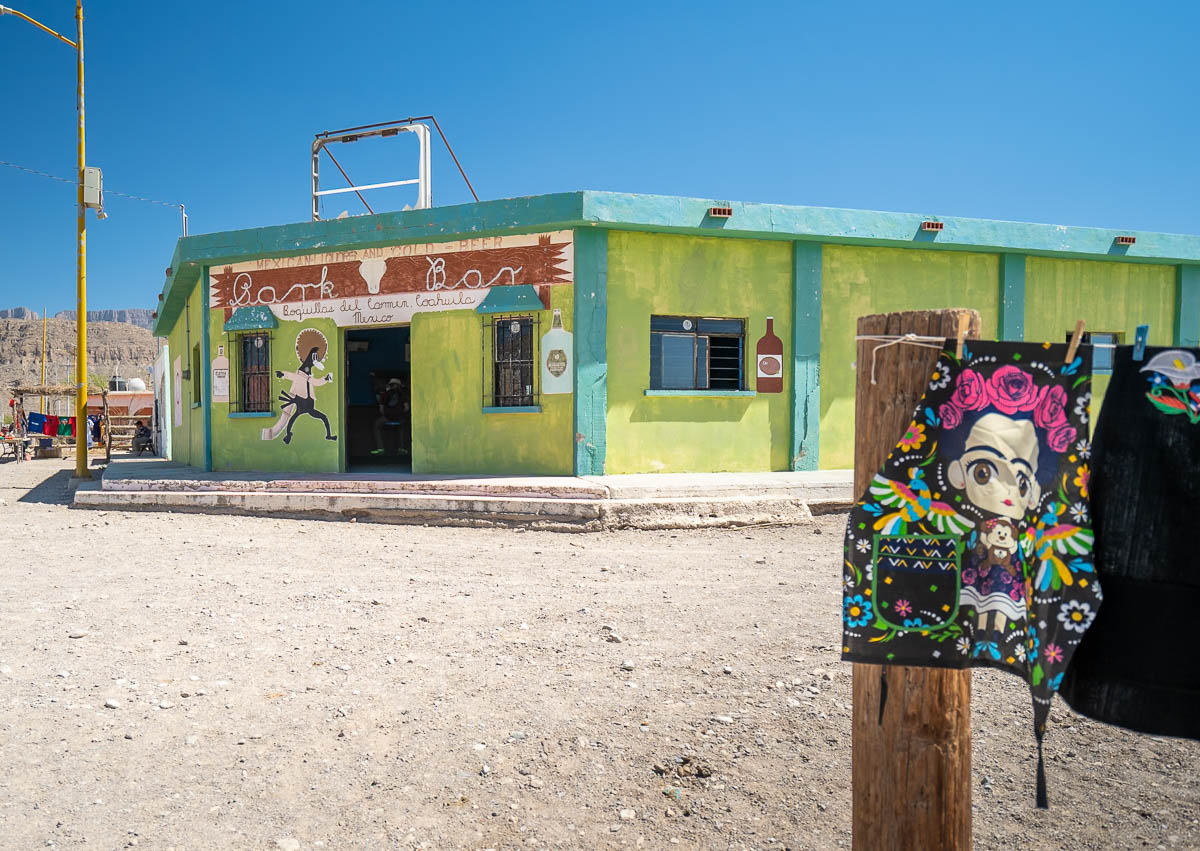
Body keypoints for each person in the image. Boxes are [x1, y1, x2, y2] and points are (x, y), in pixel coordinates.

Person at [372, 377, 410, 457]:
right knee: (402, 426)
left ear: (391, 385)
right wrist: (400, 414)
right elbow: (407, 408)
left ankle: (380, 449)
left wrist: (386, 415)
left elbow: (381, 409)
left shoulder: (385, 394)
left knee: (376, 425)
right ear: (399, 386)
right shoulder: (403, 394)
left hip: (387, 418)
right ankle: (401, 449)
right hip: (399, 418)